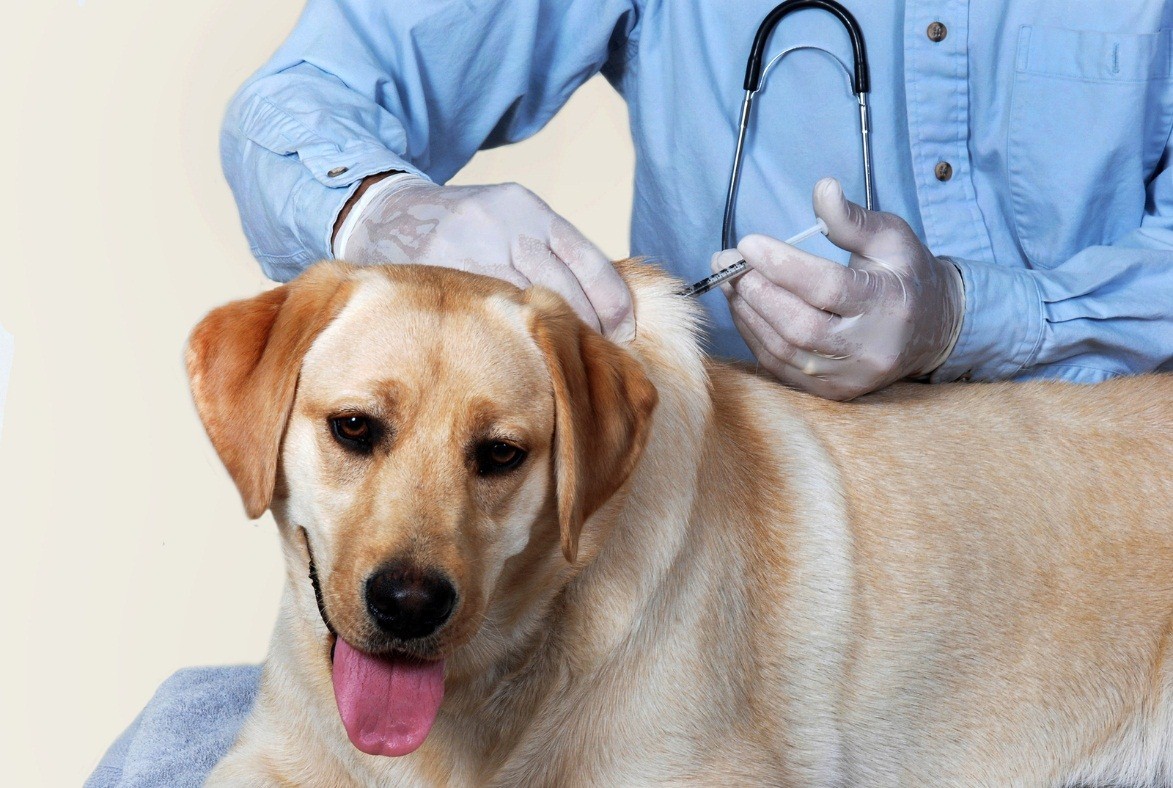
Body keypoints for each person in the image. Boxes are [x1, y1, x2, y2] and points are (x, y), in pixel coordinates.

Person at [89, 1, 1173, 783]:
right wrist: (386, 211)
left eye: (497, 454)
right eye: (358, 431)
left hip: (1117, 499)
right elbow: (304, 95)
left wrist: (976, 313)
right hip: (675, 413)